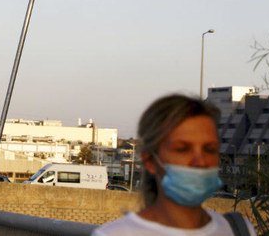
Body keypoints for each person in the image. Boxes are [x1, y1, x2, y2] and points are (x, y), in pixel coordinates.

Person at [93, 94, 255, 235]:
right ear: (150, 161)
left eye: (209, 149)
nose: (200, 161)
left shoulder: (238, 230)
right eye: (182, 149)